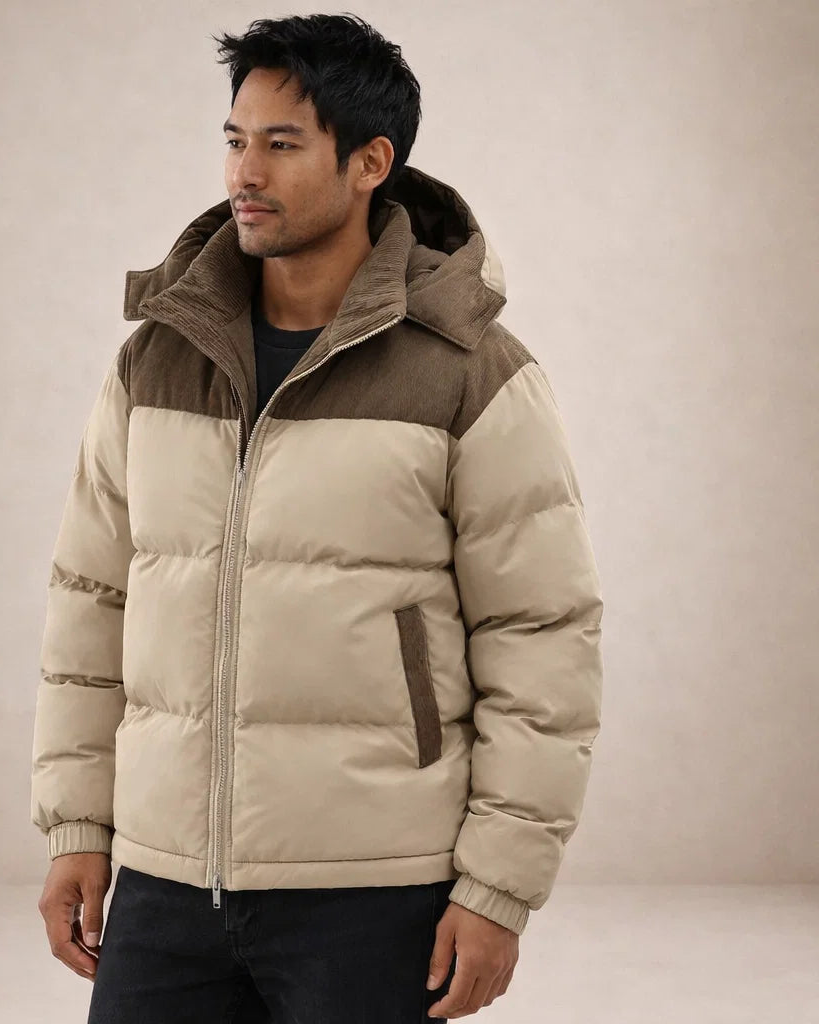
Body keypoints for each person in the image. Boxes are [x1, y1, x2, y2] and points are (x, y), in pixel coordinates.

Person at [32, 12, 604, 1022]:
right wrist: (77, 826)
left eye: (283, 144)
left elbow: (541, 635)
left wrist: (498, 887)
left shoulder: (469, 372)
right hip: (166, 883)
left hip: (374, 888)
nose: (244, 172)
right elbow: (90, 602)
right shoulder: (157, 360)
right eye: (235, 139)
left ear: (369, 162)